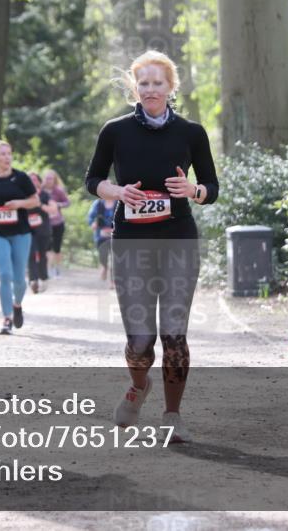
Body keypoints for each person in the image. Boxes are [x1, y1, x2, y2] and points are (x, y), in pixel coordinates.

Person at [84, 50, 218, 444]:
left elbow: (212, 188)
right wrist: (117, 191)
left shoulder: (192, 133)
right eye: (144, 83)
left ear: (171, 87)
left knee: (174, 334)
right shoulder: (115, 131)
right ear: (134, 87)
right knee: (139, 340)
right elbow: (93, 179)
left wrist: (193, 189)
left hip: (178, 241)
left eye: (158, 83)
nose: (151, 90)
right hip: (131, 244)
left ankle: (172, 415)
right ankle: (139, 386)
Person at [0, 141, 39, 335]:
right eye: (3, 154)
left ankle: (17, 305)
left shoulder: (21, 177)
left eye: (9, 154)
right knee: (4, 275)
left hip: (21, 233)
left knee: (19, 280)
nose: (7, 157)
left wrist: (20, 203)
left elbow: (35, 201)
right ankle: (6, 318)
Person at [27, 171, 55, 293]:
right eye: (30, 179)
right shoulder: (23, 194)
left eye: (35, 179)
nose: (33, 182)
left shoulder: (44, 195)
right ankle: (33, 280)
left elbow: (53, 210)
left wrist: (40, 204)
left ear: (39, 182)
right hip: (28, 230)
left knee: (42, 255)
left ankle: (43, 278)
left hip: (43, 230)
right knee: (31, 254)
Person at [42, 170, 71, 278]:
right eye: (47, 178)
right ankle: (48, 269)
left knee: (57, 247)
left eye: (51, 178)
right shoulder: (40, 191)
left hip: (58, 223)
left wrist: (57, 205)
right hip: (44, 223)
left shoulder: (58, 191)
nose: (48, 180)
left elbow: (67, 203)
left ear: (54, 180)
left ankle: (57, 268)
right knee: (46, 247)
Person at [87, 197, 117, 287]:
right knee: (102, 257)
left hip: (115, 235)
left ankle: (113, 281)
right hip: (101, 235)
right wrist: (92, 223)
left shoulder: (119, 202)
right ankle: (104, 267)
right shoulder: (98, 203)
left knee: (115, 258)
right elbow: (90, 217)